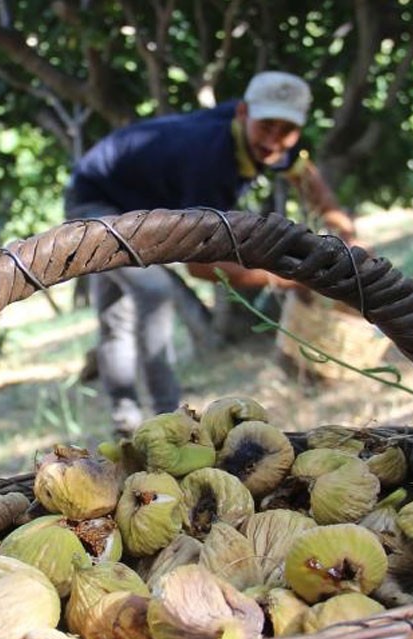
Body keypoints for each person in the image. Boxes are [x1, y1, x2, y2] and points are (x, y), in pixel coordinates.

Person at [63, 70, 360, 436]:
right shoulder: (210, 160)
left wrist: (347, 235)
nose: (274, 140)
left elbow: (309, 180)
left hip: (137, 208)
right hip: (95, 200)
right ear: (242, 114)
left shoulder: (270, 144)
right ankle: (167, 421)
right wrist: (291, 279)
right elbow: (202, 267)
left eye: (286, 130)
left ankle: (127, 422)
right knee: (151, 292)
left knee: (118, 313)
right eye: (267, 126)